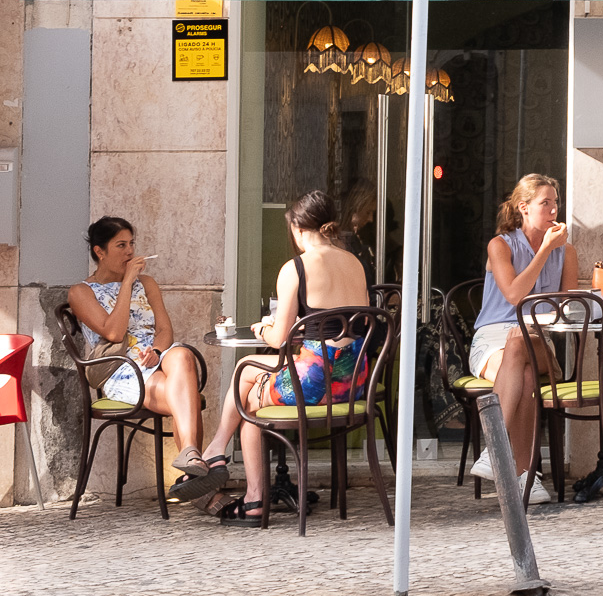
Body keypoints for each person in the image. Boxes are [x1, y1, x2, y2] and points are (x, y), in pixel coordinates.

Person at [197, 191, 374, 523]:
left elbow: (279, 340)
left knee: (248, 399)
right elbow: (359, 321)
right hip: (352, 381)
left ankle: (247, 491)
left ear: (297, 227)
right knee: (246, 374)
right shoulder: (354, 262)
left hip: (315, 382)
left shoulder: (296, 268)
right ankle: (218, 454)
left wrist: (263, 328)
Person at [68, 216, 213, 504]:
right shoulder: (81, 292)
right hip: (121, 369)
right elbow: (114, 330)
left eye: (132, 243)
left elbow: (164, 330)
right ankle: (197, 480)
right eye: (121, 245)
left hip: (155, 358)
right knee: (187, 396)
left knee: (182, 354)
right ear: (100, 251)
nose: (130, 252)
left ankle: (190, 458)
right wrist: (127, 283)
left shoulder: (147, 284)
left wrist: (157, 352)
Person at [465, 173, 577, 506]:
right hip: (493, 339)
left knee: (521, 341)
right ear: (523, 208)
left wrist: (551, 250)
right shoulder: (500, 245)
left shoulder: (566, 252)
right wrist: (543, 251)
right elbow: (514, 295)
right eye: (546, 203)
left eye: (556, 203)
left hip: (540, 339)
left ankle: (493, 449)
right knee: (523, 367)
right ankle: (527, 477)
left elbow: (566, 309)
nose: (554, 210)